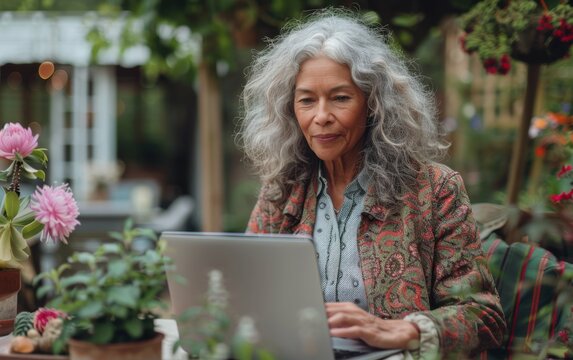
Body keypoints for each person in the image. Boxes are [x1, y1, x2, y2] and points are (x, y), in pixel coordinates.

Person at [238, 9, 506, 359]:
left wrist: (400, 330)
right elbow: (242, 294)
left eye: (340, 97)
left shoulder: (434, 189)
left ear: (374, 104)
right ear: (291, 110)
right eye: (306, 100)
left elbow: (482, 315)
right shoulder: (281, 192)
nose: (321, 116)